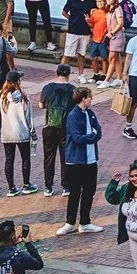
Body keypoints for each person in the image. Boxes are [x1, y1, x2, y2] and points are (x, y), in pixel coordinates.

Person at [59, 85, 104, 233]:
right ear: (84, 99)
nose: (91, 100)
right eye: (90, 97)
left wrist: (93, 135)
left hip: (91, 160)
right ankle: (70, 222)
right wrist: (92, 136)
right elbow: (77, 138)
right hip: (76, 161)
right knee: (75, 193)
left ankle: (85, 222)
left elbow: (99, 132)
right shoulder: (72, 116)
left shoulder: (90, 113)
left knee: (89, 191)